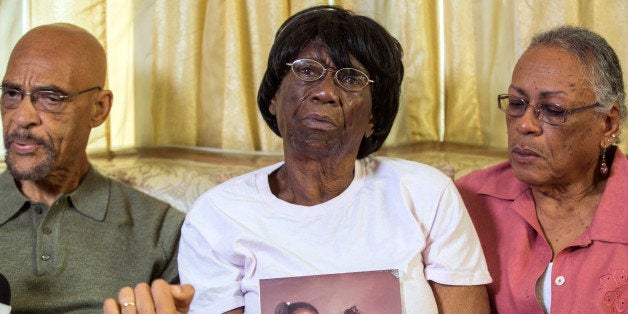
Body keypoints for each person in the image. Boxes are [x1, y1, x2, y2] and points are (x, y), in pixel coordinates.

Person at [176, 5, 491, 313]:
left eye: (351, 79)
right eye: (308, 70)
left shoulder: (426, 193)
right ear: (274, 97)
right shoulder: (217, 217)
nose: (325, 92)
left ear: (373, 117)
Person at [0, 23, 186, 312]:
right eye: (12, 94)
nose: (22, 117)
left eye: (51, 98)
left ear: (99, 109)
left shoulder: (162, 229)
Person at [455, 25, 626, 313]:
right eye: (516, 103)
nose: (524, 124)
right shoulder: (467, 202)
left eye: (553, 110)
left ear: (607, 124)